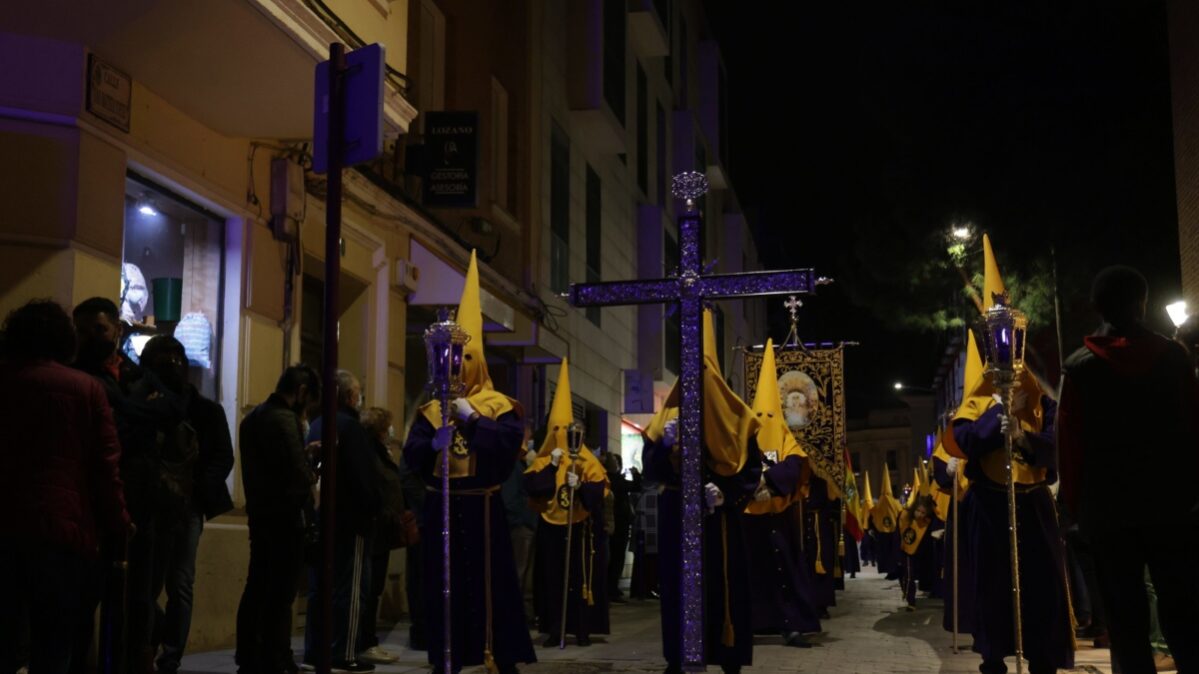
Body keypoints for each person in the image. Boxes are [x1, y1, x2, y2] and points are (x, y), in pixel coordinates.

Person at [1058, 265, 1199, 674]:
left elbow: (1071, 446)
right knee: (1185, 613)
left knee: (1125, 621)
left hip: (1107, 513)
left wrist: (1074, 506)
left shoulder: (1080, 367)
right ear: (1142, 303)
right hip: (1174, 507)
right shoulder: (1174, 357)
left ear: (1097, 306)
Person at [402, 251, 535, 674]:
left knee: (489, 585)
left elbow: (508, 449)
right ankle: (450, 655)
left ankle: (499, 655)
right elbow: (412, 457)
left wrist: (472, 418)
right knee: (445, 587)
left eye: (464, 360)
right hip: (443, 508)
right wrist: (432, 444)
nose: (457, 367)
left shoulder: (499, 406)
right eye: (452, 360)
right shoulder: (429, 410)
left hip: (483, 509)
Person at [945, 234, 1072, 674]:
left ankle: (1043, 658)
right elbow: (964, 443)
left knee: (1042, 588)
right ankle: (994, 656)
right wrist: (995, 415)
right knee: (995, 586)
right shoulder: (974, 402)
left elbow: (1058, 450)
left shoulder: (1042, 400)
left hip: (1033, 503)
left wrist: (1023, 439)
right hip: (990, 504)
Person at [0, 299, 131, 674]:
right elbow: (106, 467)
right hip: (63, 531)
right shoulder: (86, 389)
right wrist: (119, 522)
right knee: (54, 642)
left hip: (5, 527)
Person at [642, 309, 763, 674]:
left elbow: (751, 469)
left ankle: (728, 656)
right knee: (679, 587)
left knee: (722, 587)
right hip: (677, 515)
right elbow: (651, 469)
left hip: (719, 520)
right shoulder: (666, 417)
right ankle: (679, 656)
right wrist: (664, 446)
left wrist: (726, 493)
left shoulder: (738, 418)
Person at [137, 336, 234, 674]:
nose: (173, 368)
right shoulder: (140, 403)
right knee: (146, 586)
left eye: (176, 361)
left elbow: (223, 455)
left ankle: (170, 657)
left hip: (186, 507)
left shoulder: (205, 410)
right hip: (149, 506)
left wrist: (197, 491)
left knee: (179, 584)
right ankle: (146, 647)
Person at [235, 365, 321, 674]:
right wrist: (314, 465)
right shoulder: (285, 419)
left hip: (260, 513)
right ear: (300, 392)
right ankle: (277, 658)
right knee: (281, 592)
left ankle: (249, 655)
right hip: (286, 517)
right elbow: (298, 474)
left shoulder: (252, 417)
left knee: (256, 584)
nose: (307, 408)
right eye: (308, 400)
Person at [525, 359, 610, 648]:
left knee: (579, 579)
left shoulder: (589, 461)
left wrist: (583, 486)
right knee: (552, 580)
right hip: (551, 527)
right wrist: (552, 465)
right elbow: (535, 489)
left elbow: (599, 492)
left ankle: (582, 627)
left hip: (580, 528)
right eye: (559, 428)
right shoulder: (542, 460)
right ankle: (553, 627)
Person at [741, 339, 820, 647]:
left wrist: (768, 483)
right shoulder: (745, 433)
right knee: (751, 572)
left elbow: (797, 464)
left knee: (784, 569)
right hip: (749, 516)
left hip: (778, 515)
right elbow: (733, 465)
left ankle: (792, 624)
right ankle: (753, 623)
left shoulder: (785, 435)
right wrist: (752, 486)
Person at [303, 370, 383, 673]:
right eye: (358, 392)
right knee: (349, 589)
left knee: (320, 587)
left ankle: (315, 648)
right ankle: (345, 651)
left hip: (325, 517)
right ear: (350, 396)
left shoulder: (318, 424)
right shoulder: (350, 427)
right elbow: (362, 477)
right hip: (352, 519)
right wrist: (372, 507)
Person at [356, 407, 405, 665]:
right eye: (387, 428)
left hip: (383, 530)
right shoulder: (371, 454)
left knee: (373, 588)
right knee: (368, 588)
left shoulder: (380, 452)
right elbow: (378, 487)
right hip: (375, 529)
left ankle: (367, 638)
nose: (391, 433)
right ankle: (364, 641)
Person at [502, 426, 539, 623]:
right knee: (519, 572)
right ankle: (517, 614)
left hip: (524, 526)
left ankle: (523, 612)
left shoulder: (519, 465)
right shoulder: (513, 466)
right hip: (520, 528)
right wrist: (522, 520)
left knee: (525, 574)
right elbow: (510, 500)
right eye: (527, 437)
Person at [604, 451, 634, 604]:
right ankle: (611, 588)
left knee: (615, 557)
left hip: (617, 523)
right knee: (616, 557)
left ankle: (611, 588)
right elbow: (634, 486)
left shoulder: (612, 479)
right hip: (617, 524)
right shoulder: (615, 480)